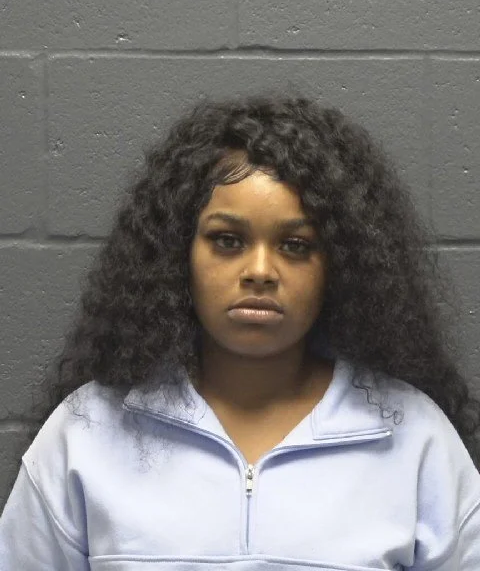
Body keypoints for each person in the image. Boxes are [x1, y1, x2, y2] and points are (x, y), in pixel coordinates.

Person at [1, 93, 479, 570]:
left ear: (340, 265)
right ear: (178, 253)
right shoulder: (86, 431)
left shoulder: (413, 436)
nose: (260, 271)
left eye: (296, 245)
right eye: (227, 241)